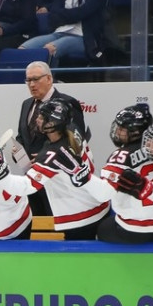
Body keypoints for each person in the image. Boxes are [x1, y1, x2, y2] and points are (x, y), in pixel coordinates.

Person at [18, 99, 109, 240]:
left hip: (80, 217)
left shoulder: (51, 154)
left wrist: (0, 175)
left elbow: (25, 187)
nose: (37, 119)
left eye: (42, 117)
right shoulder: (72, 130)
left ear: (52, 123)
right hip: (97, 205)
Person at [93, 104, 153, 244]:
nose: (117, 132)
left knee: (102, 228)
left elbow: (104, 194)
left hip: (135, 229)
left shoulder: (121, 156)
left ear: (135, 132)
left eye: (122, 129)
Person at [13, 61, 87, 216]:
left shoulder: (67, 103)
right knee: (37, 223)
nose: (31, 84)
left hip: (57, 180)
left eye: (36, 79)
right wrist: (18, 151)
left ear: (49, 79)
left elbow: (75, 141)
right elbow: (23, 135)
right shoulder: (26, 104)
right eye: (28, 80)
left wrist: (45, 156)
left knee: (56, 225)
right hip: (32, 179)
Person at [18, 0, 106, 67]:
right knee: (23, 49)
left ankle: (48, 78)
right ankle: (21, 79)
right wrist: (73, 15)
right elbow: (53, 14)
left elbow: (82, 12)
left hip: (83, 38)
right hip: (60, 32)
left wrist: (64, 15)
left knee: (49, 49)